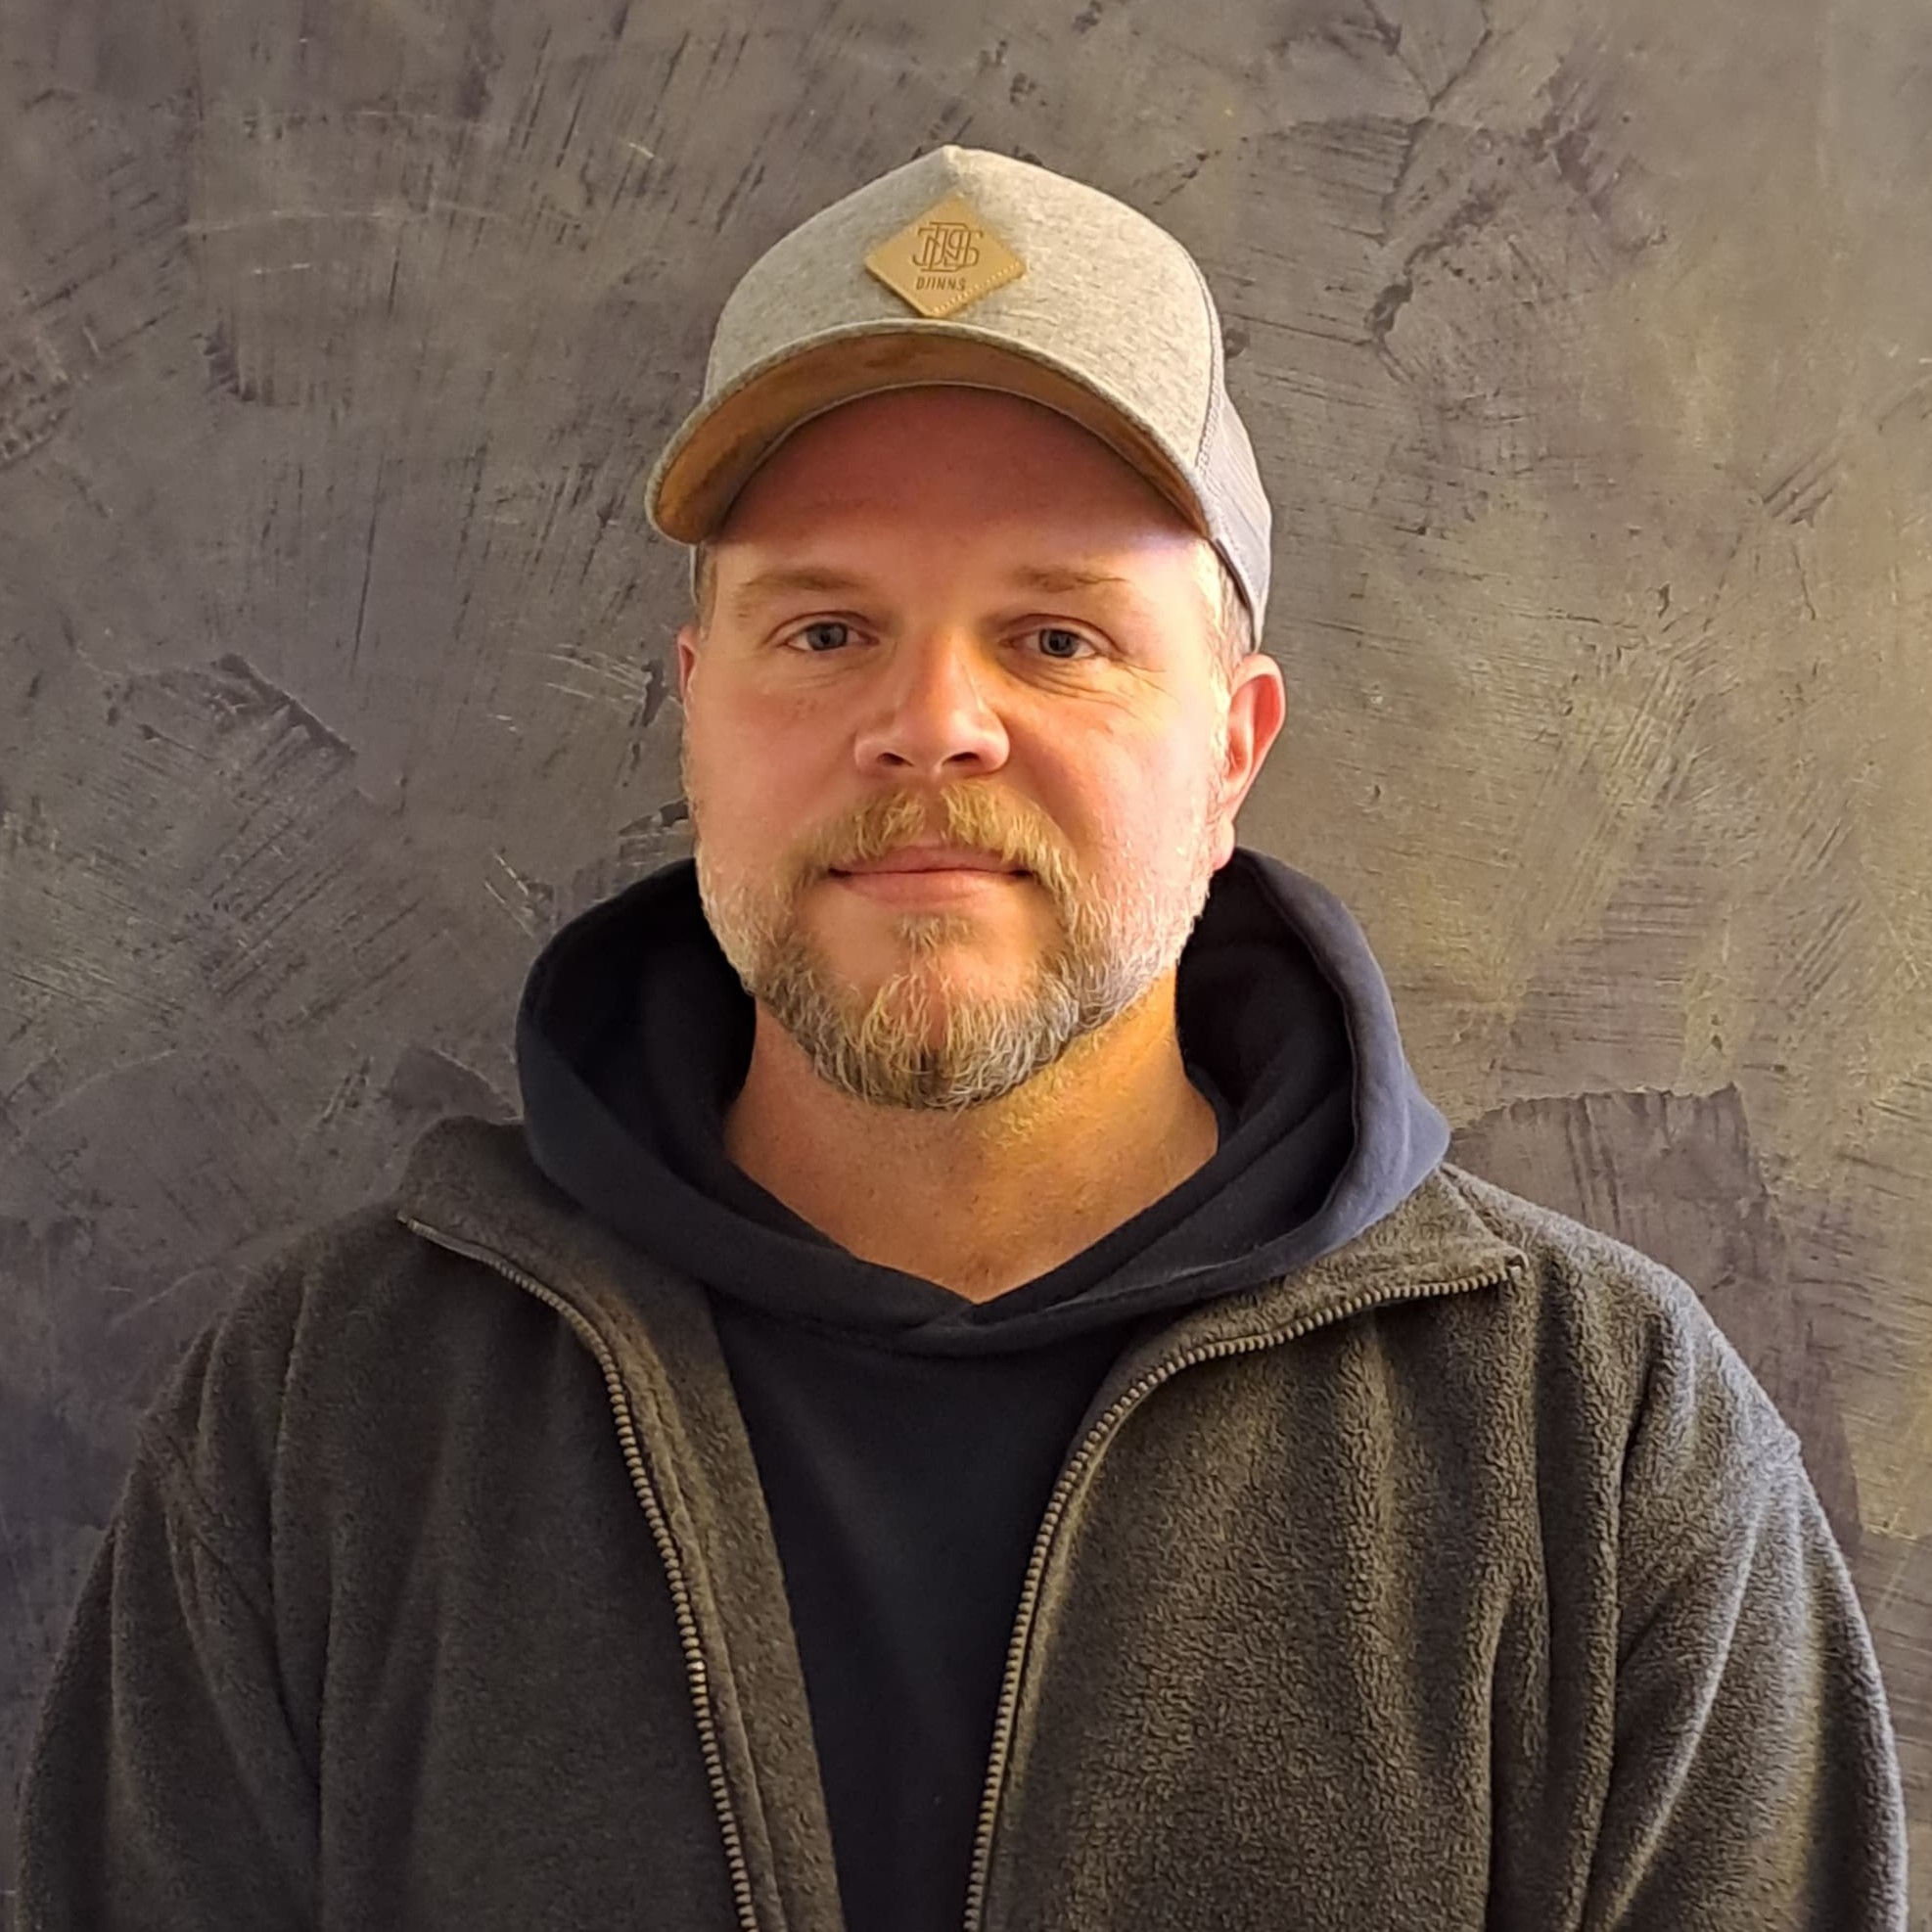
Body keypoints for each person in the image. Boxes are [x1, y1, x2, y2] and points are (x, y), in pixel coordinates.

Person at [13, 145, 1908, 1931]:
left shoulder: (1598, 1440)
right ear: (697, 711)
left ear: (1232, 745)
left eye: (1057, 636)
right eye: (826, 629)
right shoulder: (332, 1410)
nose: (931, 722)